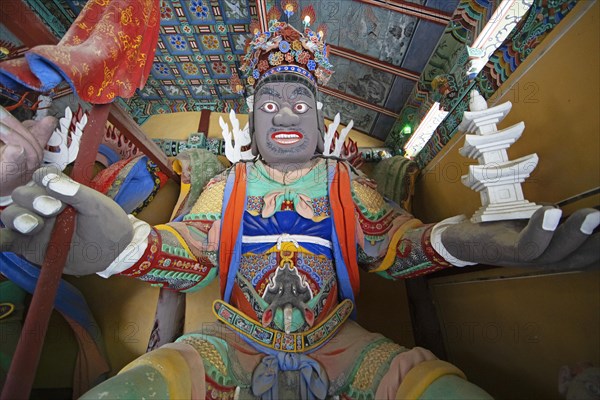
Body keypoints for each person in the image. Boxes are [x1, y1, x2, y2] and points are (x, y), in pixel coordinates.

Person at [1, 22, 598, 399]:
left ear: (316, 115)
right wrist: (119, 247)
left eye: (299, 100)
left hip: (345, 342)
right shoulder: (228, 186)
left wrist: (467, 243)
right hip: (231, 341)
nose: (284, 113)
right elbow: (186, 254)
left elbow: (395, 247)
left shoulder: (344, 182)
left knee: (442, 389)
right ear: (253, 116)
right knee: (136, 388)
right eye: (269, 102)